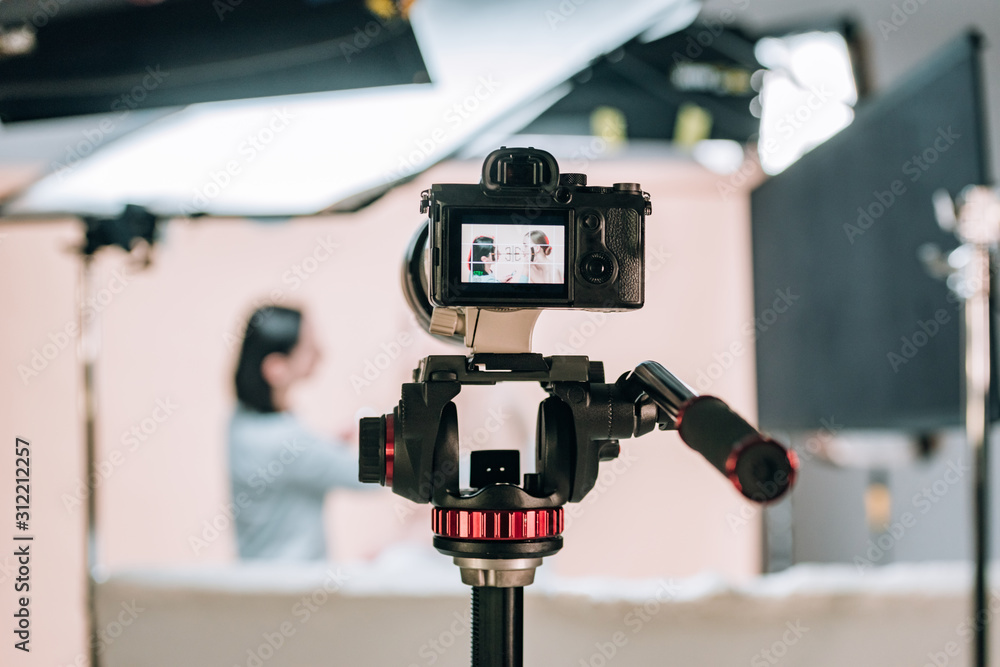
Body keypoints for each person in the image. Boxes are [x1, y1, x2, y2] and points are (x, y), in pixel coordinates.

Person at [228, 304, 362, 561]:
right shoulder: (290, 444)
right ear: (276, 368)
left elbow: (297, 461)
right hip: (292, 584)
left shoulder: (239, 422)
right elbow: (370, 478)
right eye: (309, 346)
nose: (321, 353)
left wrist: (327, 449)